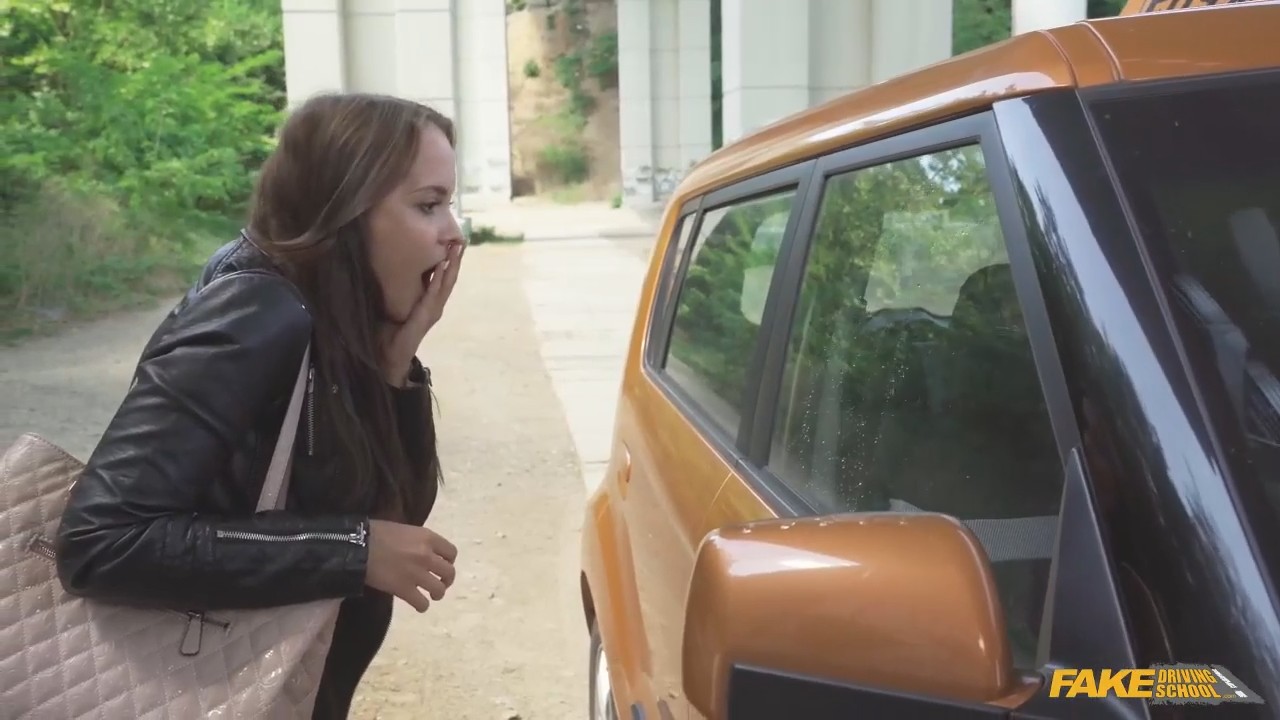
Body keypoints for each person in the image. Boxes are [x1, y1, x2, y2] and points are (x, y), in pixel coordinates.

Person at [53, 92, 466, 719]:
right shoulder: (256, 313)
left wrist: (394, 363)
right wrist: (351, 549)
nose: (452, 233)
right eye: (428, 205)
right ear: (345, 210)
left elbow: (397, 514)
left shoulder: (332, 318)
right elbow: (102, 540)